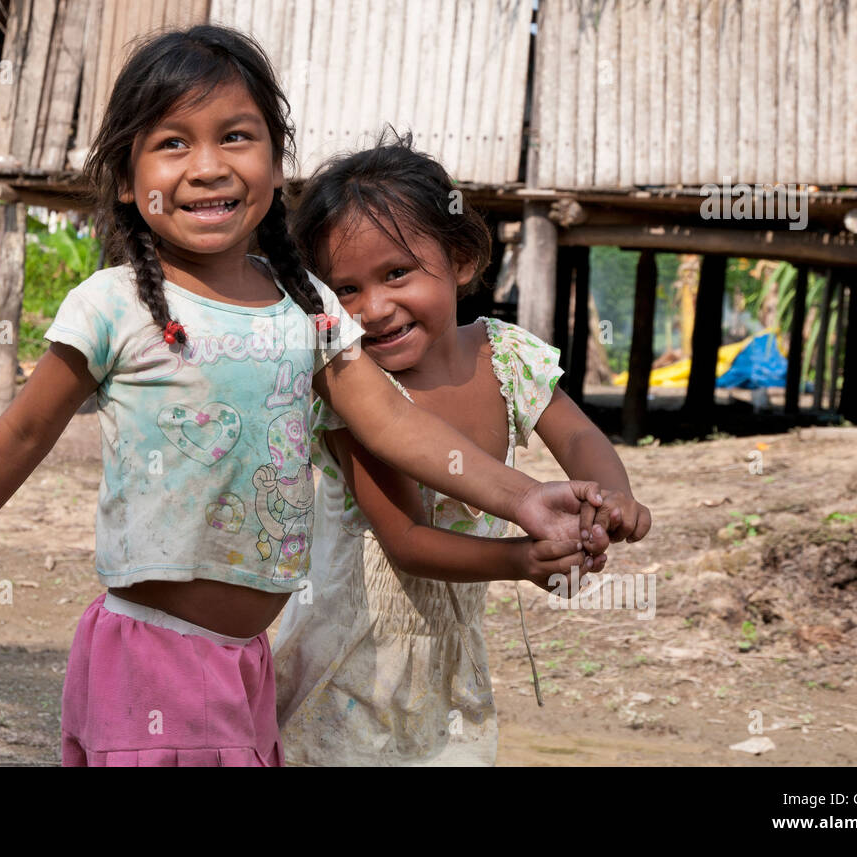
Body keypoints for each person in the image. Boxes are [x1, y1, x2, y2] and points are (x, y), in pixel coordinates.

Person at [0, 25, 611, 767]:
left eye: (236, 137)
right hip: (153, 653)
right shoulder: (113, 306)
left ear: (276, 164)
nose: (208, 166)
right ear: (127, 179)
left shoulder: (304, 306)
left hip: (248, 660)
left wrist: (524, 497)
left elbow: (391, 422)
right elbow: (20, 434)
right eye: (174, 143)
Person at [274, 131, 652, 766]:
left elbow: (581, 435)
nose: (374, 308)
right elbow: (408, 544)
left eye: (397, 273)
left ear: (461, 259)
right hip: (354, 659)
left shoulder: (504, 356)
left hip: (450, 656)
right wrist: (526, 561)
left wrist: (609, 501)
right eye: (346, 291)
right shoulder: (354, 390)